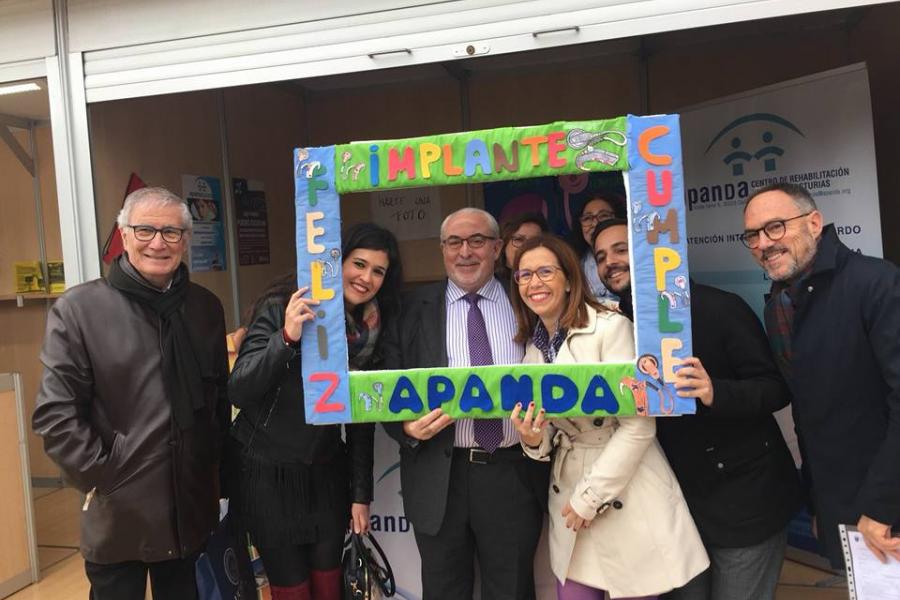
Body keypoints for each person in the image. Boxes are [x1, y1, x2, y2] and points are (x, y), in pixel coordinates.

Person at [32, 187, 229, 600]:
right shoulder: (80, 310)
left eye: (172, 233)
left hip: (189, 511)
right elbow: (56, 415)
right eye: (145, 230)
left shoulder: (204, 308)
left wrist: (215, 477)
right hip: (119, 512)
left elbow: (216, 404)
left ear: (186, 241)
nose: (158, 242)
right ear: (123, 235)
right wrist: (106, 475)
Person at [592, 218, 804, 600]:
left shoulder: (720, 308)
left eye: (621, 249)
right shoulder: (610, 327)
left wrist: (713, 392)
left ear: (650, 251)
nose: (610, 262)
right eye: (601, 256)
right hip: (672, 511)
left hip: (745, 506)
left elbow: (774, 389)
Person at [508, 234, 708, 600]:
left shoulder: (610, 327)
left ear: (569, 278)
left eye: (544, 272)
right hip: (569, 498)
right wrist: (533, 440)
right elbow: (549, 434)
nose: (533, 283)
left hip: (624, 492)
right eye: (524, 275)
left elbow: (639, 425)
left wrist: (591, 496)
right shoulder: (532, 349)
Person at [226, 223, 402, 600]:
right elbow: (240, 387)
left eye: (378, 271)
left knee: (329, 584)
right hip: (267, 472)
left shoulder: (372, 329)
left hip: (325, 473)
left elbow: (360, 421)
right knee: (291, 586)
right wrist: (286, 337)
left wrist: (360, 494)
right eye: (359, 264)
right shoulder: (285, 305)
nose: (366, 277)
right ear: (336, 262)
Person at [382, 207, 549, 600]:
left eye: (477, 241)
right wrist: (404, 427)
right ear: (442, 249)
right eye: (454, 242)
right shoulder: (408, 311)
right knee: (443, 591)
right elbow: (384, 387)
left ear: (496, 248)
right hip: (439, 476)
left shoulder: (527, 299)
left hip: (512, 473)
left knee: (511, 590)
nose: (465, 252)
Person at [741, 182, 900, 566]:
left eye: (776, 227)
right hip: (841, 507)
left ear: (814, 223)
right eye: (752, 236)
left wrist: (882, 506)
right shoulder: (779, 304)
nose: (764, 243)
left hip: (887, 509)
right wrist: (818, 505)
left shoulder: (876, 283)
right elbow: (808, 412)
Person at [567, 194, 623, 300]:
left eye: (603, 216)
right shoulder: (574, 264)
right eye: (587, 218)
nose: (595, 223)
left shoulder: (635, 255)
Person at [496, 211, 550, 282]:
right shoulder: (490, 284)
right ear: (503, 245)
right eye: (519, 239)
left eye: (534, 240)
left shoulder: (549, 281)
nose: (526, 246)